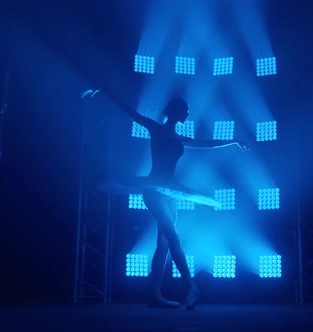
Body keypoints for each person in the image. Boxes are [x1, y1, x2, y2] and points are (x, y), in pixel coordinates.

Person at [94, 88, 248, 310]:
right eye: (185, 110)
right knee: (173, 237)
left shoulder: (179, 138)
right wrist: (104, 91)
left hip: (170, 193)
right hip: (154, 191)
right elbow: (130, 112)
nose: (187, 114)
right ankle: (191, 285)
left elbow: (206, 144)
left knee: (163, 244)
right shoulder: (155, 129)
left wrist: (233, 140)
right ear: (174, 112)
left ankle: (155, 296)